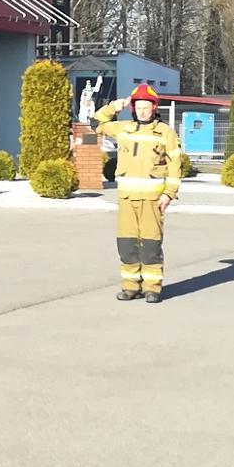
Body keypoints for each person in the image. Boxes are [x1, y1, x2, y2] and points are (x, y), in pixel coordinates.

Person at [91, 84, 181, 303]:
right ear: (133, 108)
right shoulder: (123, 128)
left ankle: (152, 288)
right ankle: (131, 286)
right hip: (127, 199)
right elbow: (96, 123)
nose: (142, 111)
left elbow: (175, 165)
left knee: (151, 245)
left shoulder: (165, 133)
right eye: (138, 106)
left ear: (154, 107)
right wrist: (115, 105)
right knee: (127, 245)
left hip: (152, 200)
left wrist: (169, 193)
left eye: (146, 106)